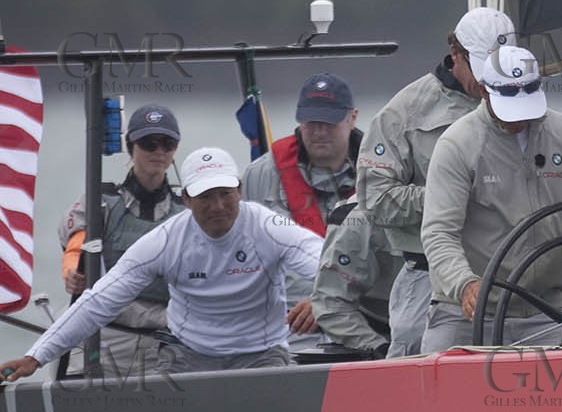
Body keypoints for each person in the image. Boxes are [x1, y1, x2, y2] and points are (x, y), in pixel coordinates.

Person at [0, 148, 323, 381]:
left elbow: (327, 263)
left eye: (226, 194)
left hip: (262, 353)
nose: (218, 206)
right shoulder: (167, 241)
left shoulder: (268, 227)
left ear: (240, 190)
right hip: (191, 356)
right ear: (186, 199)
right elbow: (99, 301)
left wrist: (321, 297)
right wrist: (36, 356)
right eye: (206, 197)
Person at [420, 43, 562, 352]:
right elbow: (439, 233)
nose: (520, 119)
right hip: (467, 313)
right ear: (484, 91)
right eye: (511, 107)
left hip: (546, 309)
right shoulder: (456, 145)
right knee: (438, 390)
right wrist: (465, 284)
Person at [358, 9, 492, 356]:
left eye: (495, 63)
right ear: (455, 54)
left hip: (510, 277)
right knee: (411, 395)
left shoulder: (521, 98)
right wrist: (448, 194)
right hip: (428, 282)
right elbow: (374, 199)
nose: (487, 78)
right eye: (478, 64)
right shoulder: (403, 113)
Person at [57, 104, 185, 377]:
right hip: (106, 340)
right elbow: (76, 245)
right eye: (149, 143)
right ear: (131, 146)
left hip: (166, 342)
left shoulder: (187, 210)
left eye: (168, 143)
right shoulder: (99, 203)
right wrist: (70, 272)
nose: (159, 151)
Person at [242, 72, 362, 231]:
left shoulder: (383, 172)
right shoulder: (259, 174)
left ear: (352, 118)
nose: (320, 132)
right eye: (311, 122)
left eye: (329, 121)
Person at [311, 200, 401, 358]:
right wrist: (378, 348)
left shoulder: (452, 201)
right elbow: (330, 302)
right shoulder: (352, 218)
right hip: (374, 327)